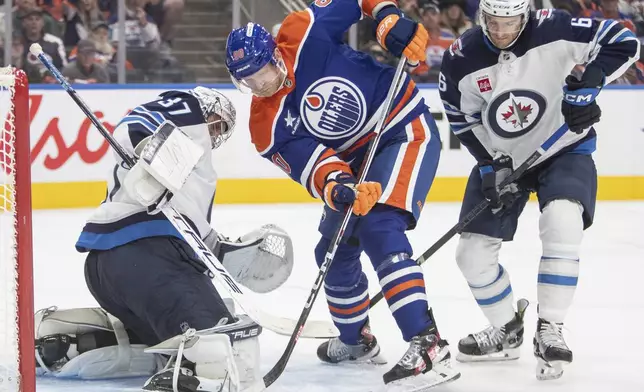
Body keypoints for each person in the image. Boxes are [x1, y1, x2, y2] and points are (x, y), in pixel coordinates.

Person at [224, 0, 459, 389]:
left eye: (261, 72)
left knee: (380, 227)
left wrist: (386, 18)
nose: (259, 85)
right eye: (247, 81)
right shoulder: (265, 127)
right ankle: (356, 342)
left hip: (401, 128)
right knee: (333, 252)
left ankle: (429, 345)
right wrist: (339, 187)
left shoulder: (300, 32)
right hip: (356, 163)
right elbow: (314, 165)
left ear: (274, 54)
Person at [439, 0, 640, 380]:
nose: (500, 32)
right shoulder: (461, 57)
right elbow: (460, 118)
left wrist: (592, 79)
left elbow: (623, 41)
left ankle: (550, 329)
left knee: (563, 221)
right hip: (504, 160)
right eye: (492, 22)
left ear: (527, 15)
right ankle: (506, 330)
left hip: (563, 147)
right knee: (471, 254)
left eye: (509, 22)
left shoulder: (555, 27)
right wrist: (488, 163)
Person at [53, 87, 295, 392]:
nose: (217, 133)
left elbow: (200, 244)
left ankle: (93, 341)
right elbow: (133, 126)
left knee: (172, 345)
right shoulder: (189, 108)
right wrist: (146, 149)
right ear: (207, 107)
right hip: (148, 257)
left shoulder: (195, 171)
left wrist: (234, 253)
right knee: (221, 353)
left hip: (111, 268)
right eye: (217, 123)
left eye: (222, 130)